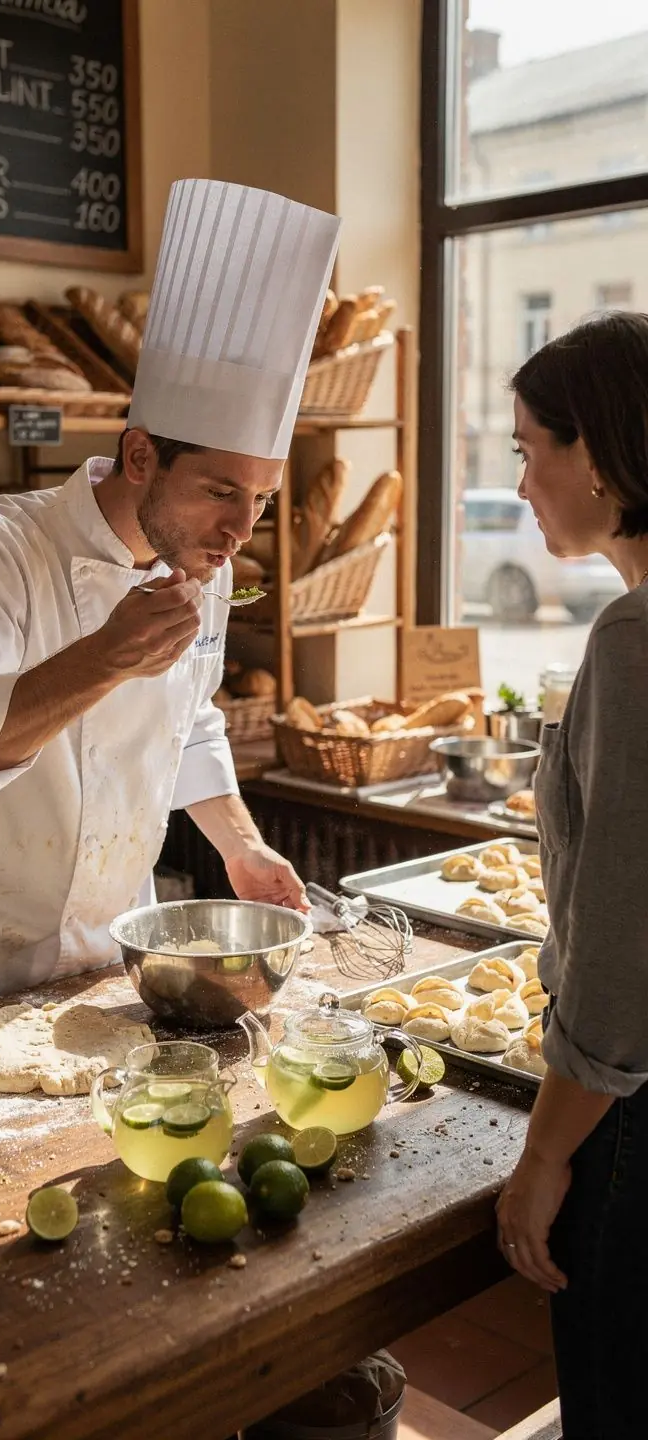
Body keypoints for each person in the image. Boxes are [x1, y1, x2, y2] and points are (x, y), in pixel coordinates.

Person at [0, 179, 341, 1021]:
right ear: (139, 456)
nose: (242, 530)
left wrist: (241, 846)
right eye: (220, 492)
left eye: (262, 500)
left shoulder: (204, 561)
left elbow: (189, 718)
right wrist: (104, 658)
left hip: (107, 957)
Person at [495, 310, 648, 1440]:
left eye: (527, 449)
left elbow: (621, 957)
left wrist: (545, 1155)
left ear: (591, 450)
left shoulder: (636, 643)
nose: (520, 483)